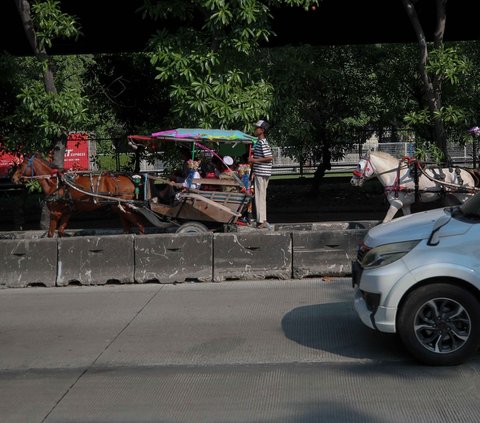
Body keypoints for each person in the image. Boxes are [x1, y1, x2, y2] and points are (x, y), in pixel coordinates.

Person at [248, 119, 273, 229]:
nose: (255, 130)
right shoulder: (259, 142)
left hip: (262, 173)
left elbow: (269, 157)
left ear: (262, 130)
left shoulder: (262, 142)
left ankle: (260, 220)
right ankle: (262, 219)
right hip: (261, 172)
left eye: (256, 128)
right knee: (261, 196)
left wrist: (254, 161)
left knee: (259, 196)